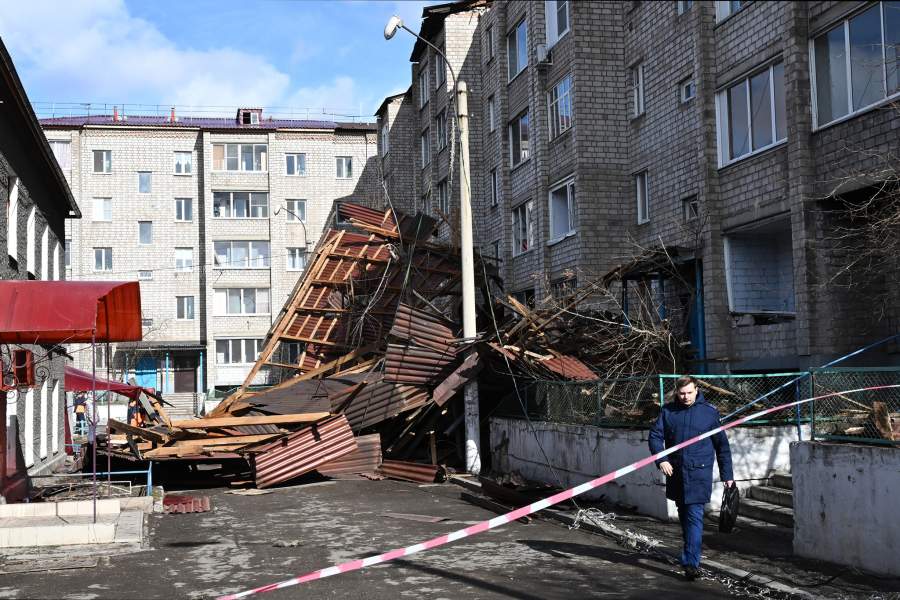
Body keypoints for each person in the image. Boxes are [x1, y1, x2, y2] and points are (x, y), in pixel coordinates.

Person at [648, 375, 733, 581]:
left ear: (697, 390)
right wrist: (662, 460)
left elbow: (722, 446)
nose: (686, 397)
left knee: (694, 517)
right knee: (685, 517)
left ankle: (691, 563)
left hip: (699, 474)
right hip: (676, 473)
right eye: (682, 393)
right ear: (677, 392)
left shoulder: (709, 413)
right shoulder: (668, 412)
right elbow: (655, 437)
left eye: (689, 392)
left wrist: (727, 476)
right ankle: (688, 555)